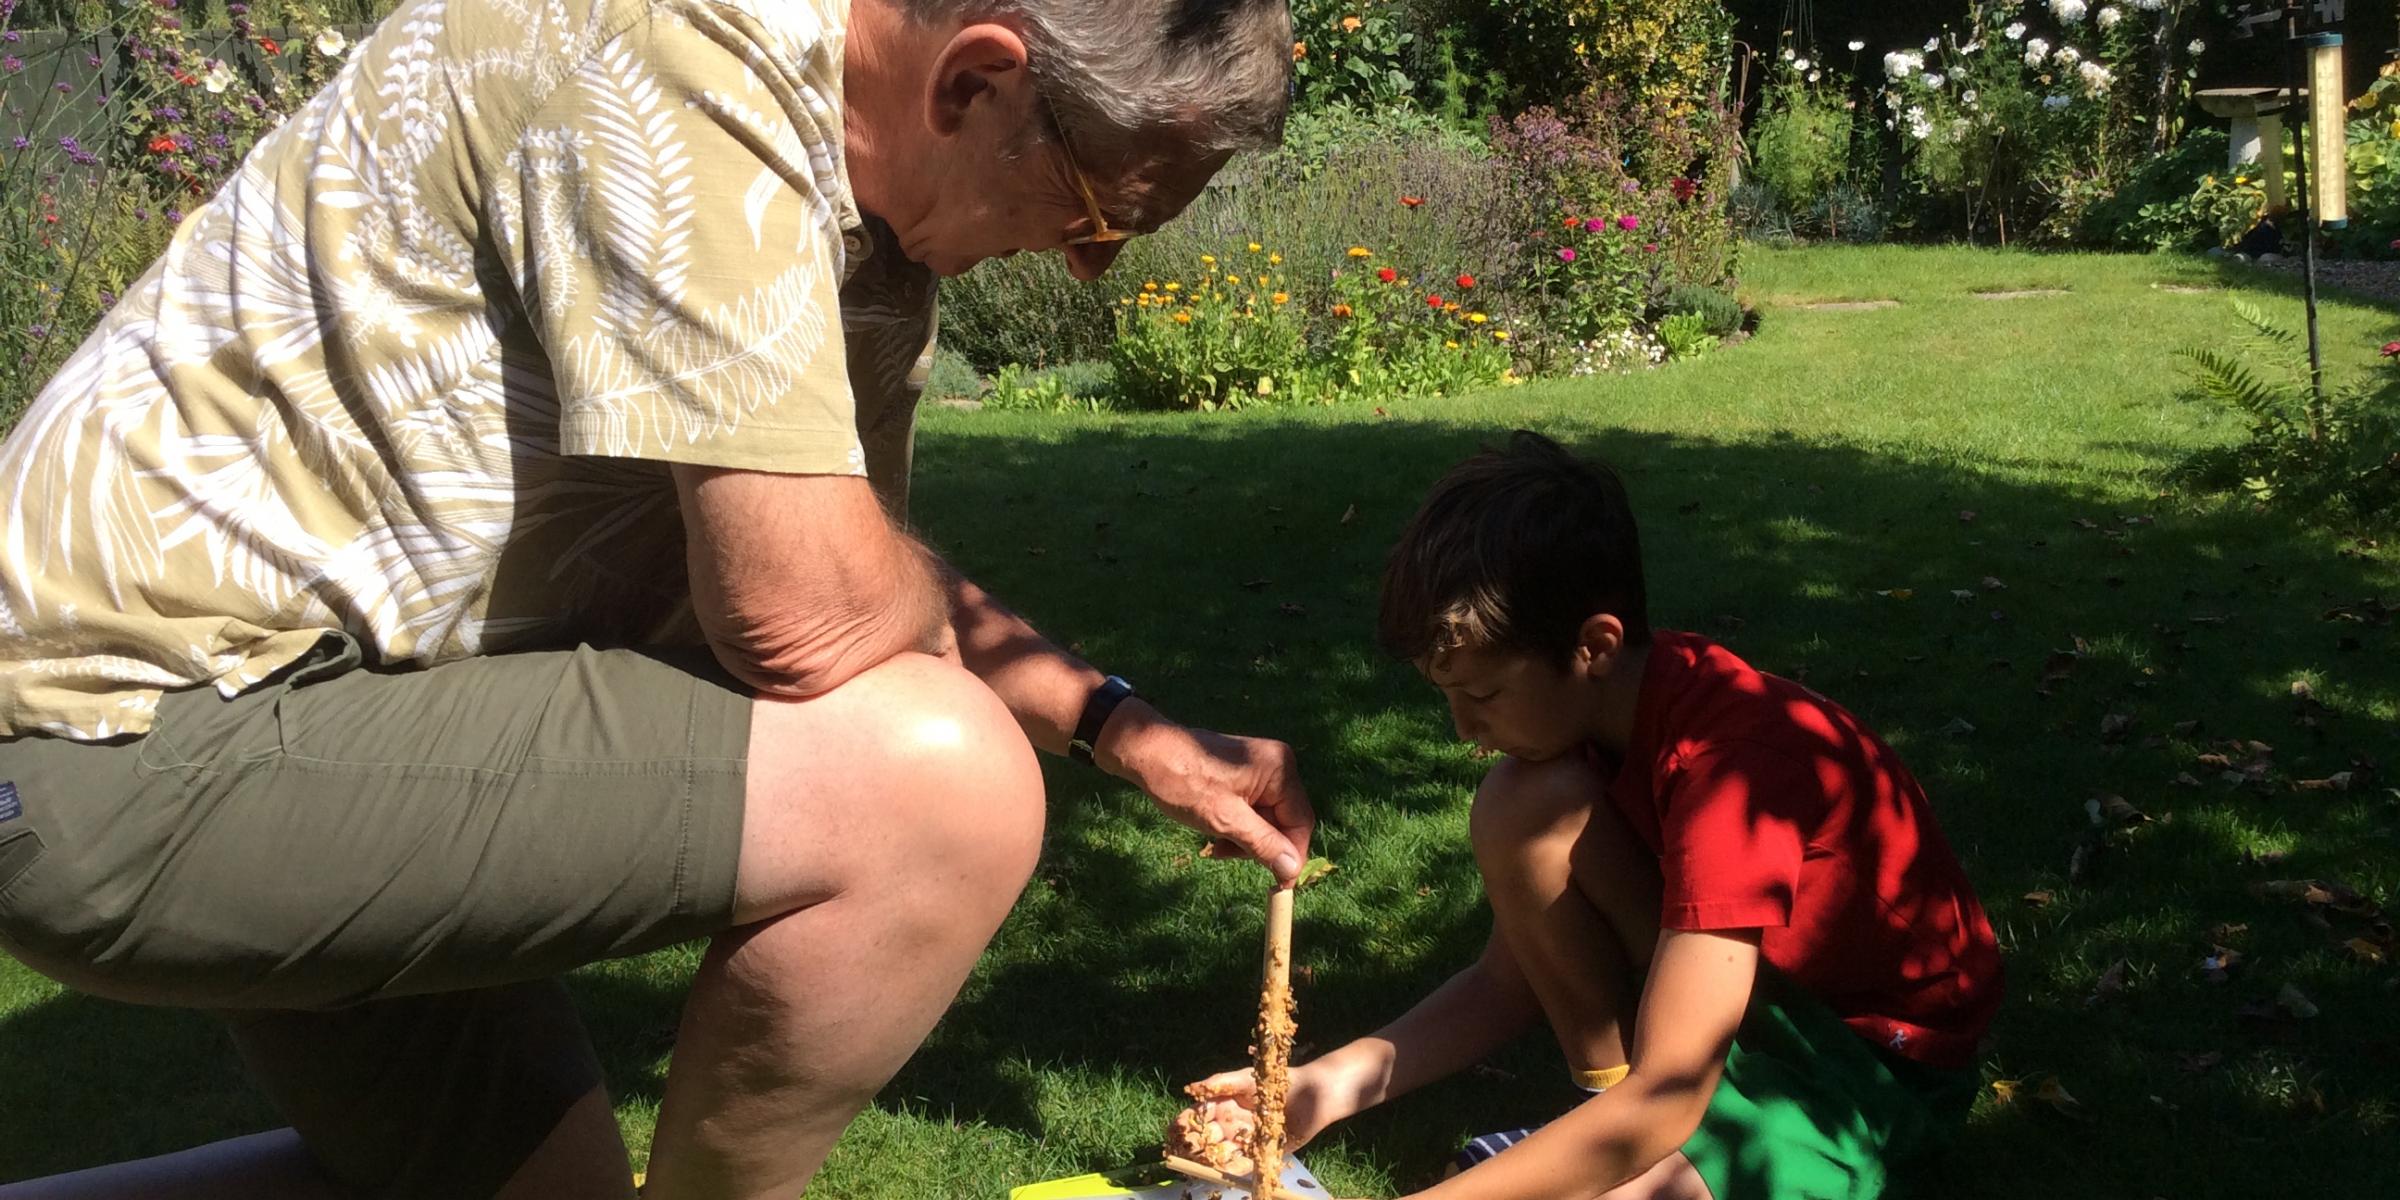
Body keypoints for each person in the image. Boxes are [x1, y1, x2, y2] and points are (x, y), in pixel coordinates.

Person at [0, 1, 1308, 1197]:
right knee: (940, 787)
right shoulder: (691, 62)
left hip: (338, 718)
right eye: (1097, 215)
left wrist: (1116, 725)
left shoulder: (841, 186)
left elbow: (851, 567)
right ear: (975, 83)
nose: (1083, 268)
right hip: (129, 729)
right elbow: (812, 617)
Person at [1180, 432, 2002, 1200]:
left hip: (1864, 1072)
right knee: (1519, 804)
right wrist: (1319, 1089)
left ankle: (1629, 1157)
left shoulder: (1732, 778)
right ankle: (1594, 1126)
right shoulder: (1614, 717)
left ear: (1595, 646)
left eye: (1484, 693)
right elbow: (1507, 981)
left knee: (1646, 1179)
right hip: (1749, 1012)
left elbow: (1669, 1094)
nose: (1463, 727)